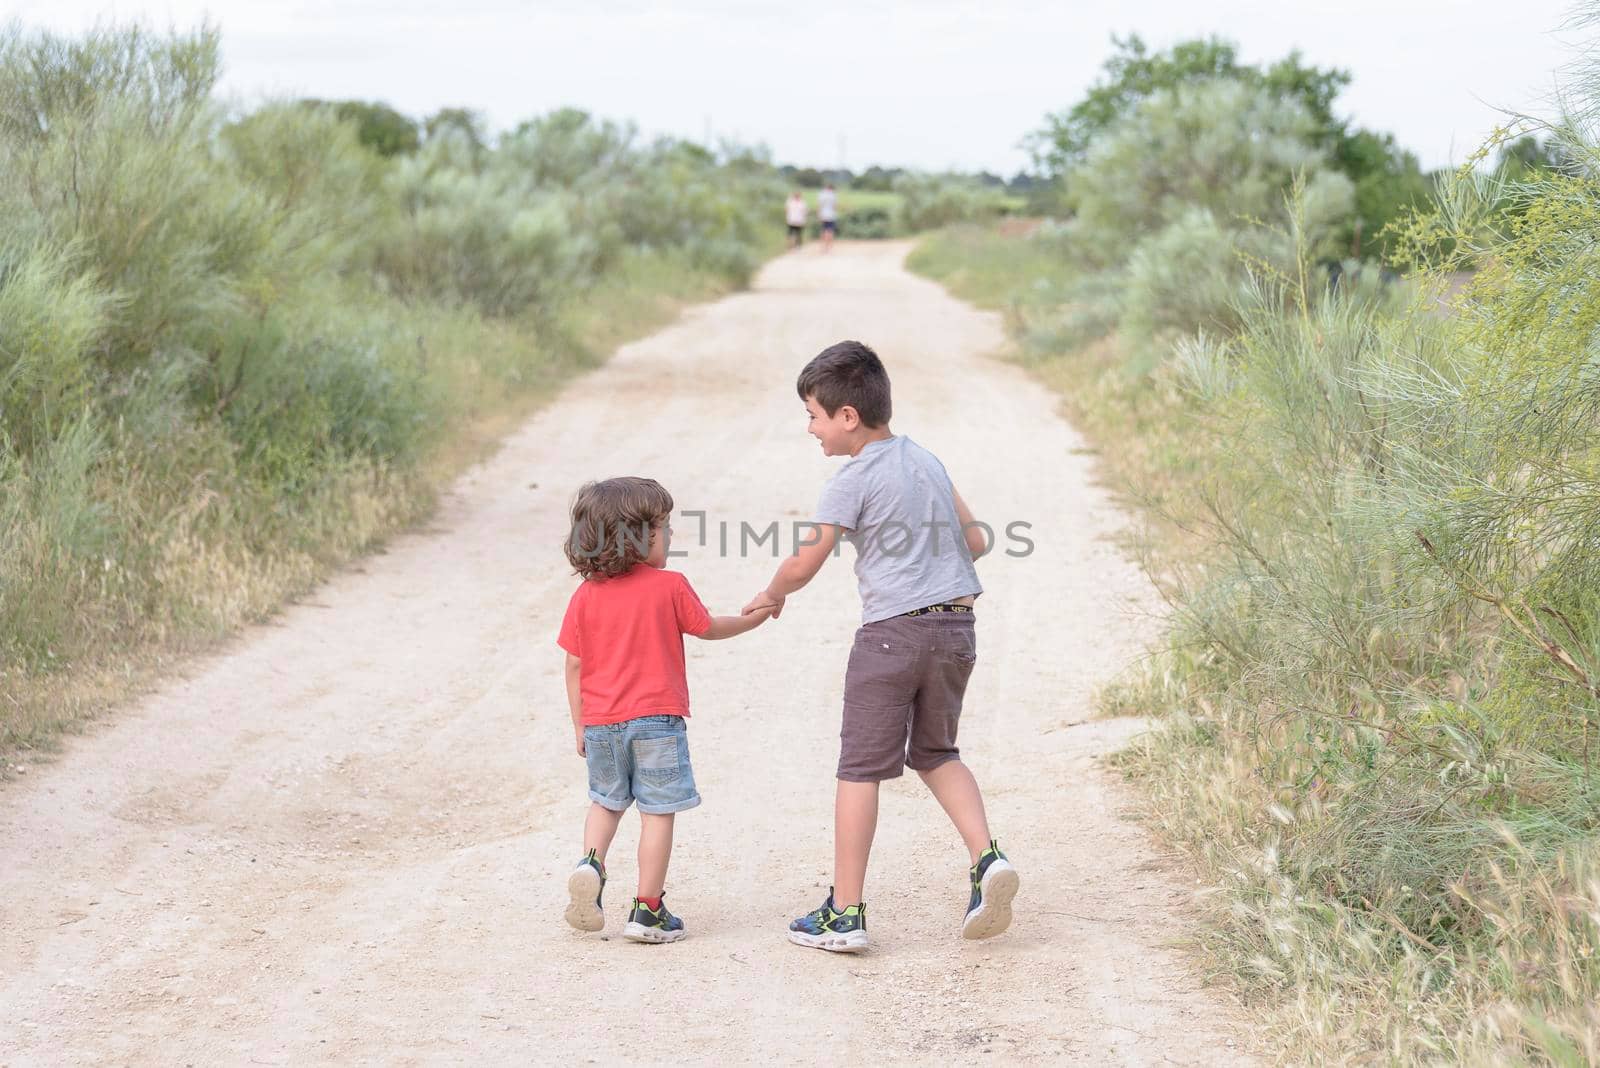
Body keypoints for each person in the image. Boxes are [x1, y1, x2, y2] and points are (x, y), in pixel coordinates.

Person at [743, 340, 1019, 953]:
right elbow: (975, 541)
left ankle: (845, 912)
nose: (811, 428)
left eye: (814, 415)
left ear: (847, 417)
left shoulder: (854, 477)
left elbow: (805, 560)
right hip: (956, 629)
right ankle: (987, 860)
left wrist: (771, 594)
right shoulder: (926, 460)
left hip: (892, 636)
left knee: (860, 769)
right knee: (937, 752)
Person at [559, 477, 772, 944]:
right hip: (656, 721)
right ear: (638, 536)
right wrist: (756, 617)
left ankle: (590, 864)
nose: (671, 536)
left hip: (601, 724)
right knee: (657, 812)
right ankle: (647, 909)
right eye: (663, 528)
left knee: (606, 802)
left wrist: (581, 724)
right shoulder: (669, 586)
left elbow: (574, 664)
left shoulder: (586, 596)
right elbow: (710, 628)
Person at [817, 183, 838, 252]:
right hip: (831, 215)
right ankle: (829, 246)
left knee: (823, 230)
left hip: (823, 215)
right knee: (830, 230)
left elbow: (820, 205)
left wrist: (819, 214)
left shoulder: (822, 194)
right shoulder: (833, 195)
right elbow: (835, 206)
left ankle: (823, 245)